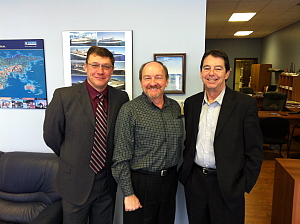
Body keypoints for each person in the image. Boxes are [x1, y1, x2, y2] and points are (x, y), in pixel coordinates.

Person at [43, 46, 129, 224]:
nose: (100, 71)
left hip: (107, 182)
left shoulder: (121, 98)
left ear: (112, 70)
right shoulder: (63, 96)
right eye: (95, 65)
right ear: (85, 67)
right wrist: (72, 155)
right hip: (74, 182)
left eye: (106, 66)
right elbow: (51, 136)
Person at [178, 49, 263, 224]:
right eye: (207, 68)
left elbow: (254, 150)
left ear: (227, 73)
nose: (211, 73)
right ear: (201, 72)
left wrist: (243, 184)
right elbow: (190, 142)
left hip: (228, 184)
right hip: (195, 182)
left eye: (218, 68)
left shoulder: (244, 104)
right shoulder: (192, 103)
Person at [112, 61, 184, 224]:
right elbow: (120, 157)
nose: (153, 83)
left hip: (169, 181)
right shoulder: (129, 110)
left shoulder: (174, 107)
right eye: (147, 78)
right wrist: (128, 194)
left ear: (166, 81)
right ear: (141, 82)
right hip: (141, 184)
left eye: (158, 77)